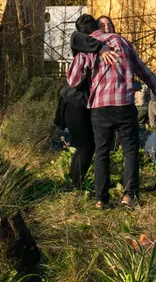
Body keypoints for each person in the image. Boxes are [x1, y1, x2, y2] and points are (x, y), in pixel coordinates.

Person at [66, 17, 156, 209]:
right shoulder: (123, 41)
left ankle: (101, 199)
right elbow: (142, 70)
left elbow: (73, 80)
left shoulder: (88, 49)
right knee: (130, 151)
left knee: (102, 152)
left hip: (100, 107)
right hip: (124, 104)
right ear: (99, 26)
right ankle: (129, 196)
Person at [53, 14, 119, 190]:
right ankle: (75, 186)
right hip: (75, 102)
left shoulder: (119, 46)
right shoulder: (86, 44)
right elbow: (76, 36)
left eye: (109, 25)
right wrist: (101, 47)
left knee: (88, 144)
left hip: (87, 104)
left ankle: (75, 183)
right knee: (86, 144)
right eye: (102, 25)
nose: (106, 28)